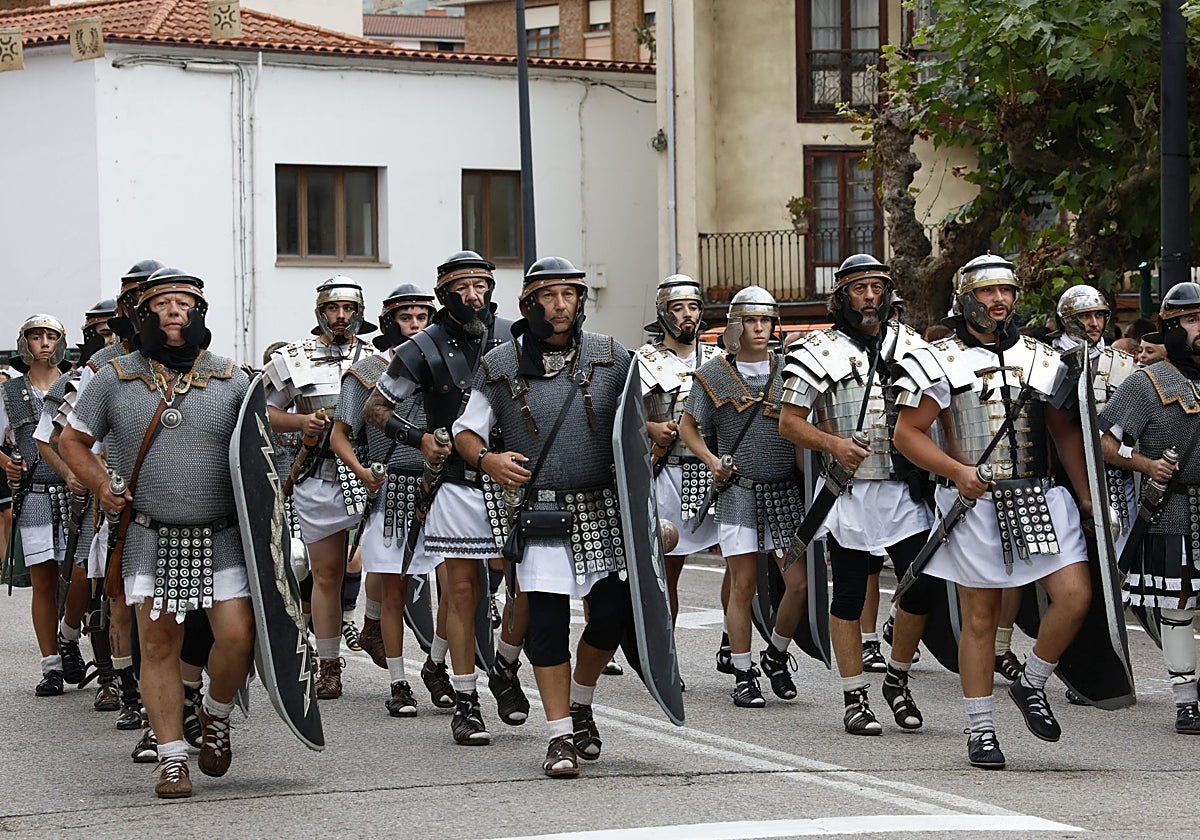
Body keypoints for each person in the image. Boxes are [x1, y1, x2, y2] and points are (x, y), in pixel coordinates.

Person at [60, 267, 256, 799]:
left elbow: (259, 449)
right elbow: (71, 440)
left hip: (221, 533)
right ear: (143, 314)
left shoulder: (233, 379)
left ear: (199, 313)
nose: (174, 310)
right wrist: (102, 485)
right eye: (162, 303)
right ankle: (172, 759)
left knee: (237, 636)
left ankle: (215, 713)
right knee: (158, 643)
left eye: (184, 303)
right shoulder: (114, 377)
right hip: (150, 533)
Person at [892, 253, 1092, 770]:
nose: (999, 300)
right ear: (966, 299)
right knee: (980, 617)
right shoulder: (939, 359)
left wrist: (1087, 496)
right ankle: (980, 728)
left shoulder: (1042, 358)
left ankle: (1032, 681)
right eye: (987, 291)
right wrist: (957, 472)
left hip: (1040, 494)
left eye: (1006, 290)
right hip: (975, 504)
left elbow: (1064, 432)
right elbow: (907, 434)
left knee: (1075, 596)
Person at [454, 256, 634, 778]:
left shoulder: (611, 357)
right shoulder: (499, 364)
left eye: (569, 295)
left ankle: (581, 702)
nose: (560, 305)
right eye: (549, 296)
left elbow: (634, 425)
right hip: (541, 511)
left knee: (611, 617)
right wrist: (487, 459)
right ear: (529, 304)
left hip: (601, 507)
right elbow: (466, 431)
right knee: (549, 626)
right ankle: (559, 737)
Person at [364, 251, 527, 746]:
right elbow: (375, 408)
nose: (473, 296)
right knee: (461, 593)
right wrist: (418, 439)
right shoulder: (421, 347)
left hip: (515, 478)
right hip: (456, 481)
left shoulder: (516, 337)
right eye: (462, 288)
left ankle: (505, 666)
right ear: (444, 294)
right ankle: (467, 702)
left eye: (481, 285)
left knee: (526, 587)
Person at [779, 254, 939, 735]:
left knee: (921, 587)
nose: (870, 297)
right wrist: (833, 444)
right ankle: (855, 697)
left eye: (877, 287)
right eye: (859, 288)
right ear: (842, 296)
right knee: (849, 594)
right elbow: (789, 423)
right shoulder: (818, 350)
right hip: (850, 493)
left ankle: (897, 679)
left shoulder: (912, 346)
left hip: (905, 489)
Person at [678, 286, 807, 710]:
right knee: (743, 585)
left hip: (784, 492)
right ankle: (743, 671)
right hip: (739, 492)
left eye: (765, 320)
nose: (759, 328)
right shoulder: (713, 375)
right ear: (736, 326)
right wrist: (712, 460)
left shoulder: (791, 371)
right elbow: (688, 427)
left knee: (798, 584)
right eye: (751, 320)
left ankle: (777, 654)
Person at [329, 283, 447, 716]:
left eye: (422, 317)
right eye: (406, 318)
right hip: (391, 488)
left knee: (456, 589)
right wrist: (362, 473)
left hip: (442, 487)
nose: (415, 325)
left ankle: (437, 664)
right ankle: (398, 682)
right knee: (393, 591)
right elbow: (340, 435)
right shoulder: (366, 373)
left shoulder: (447, 367)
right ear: (389, 323)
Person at [263, 278, 377, 700]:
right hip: (319, 474)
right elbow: (262, 411)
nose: (341, 316)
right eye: (333, 308)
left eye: (348, 309)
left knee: (385, 569)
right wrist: (301, 422)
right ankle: (329, 666)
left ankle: (378, 632)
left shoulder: (379, 358)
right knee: (326, 574)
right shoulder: (293, 357)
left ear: (359, 313)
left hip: (370, 474)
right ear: (320, 312)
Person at [1100, 282, 1200, 733]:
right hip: (1173, 508)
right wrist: (1145, 464)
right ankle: (1186, 702)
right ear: (1172, 328)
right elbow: (1104, 442)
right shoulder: (1146, 383)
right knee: (1178, 606)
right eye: (1192, 320)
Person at [34, 299, 120, 712]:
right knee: (89, 579)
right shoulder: (74, 383)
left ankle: (129, 676)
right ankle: (82, 650)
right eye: (101, 333)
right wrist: (72, 472)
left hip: (137, 491)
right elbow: (47, 438)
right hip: (93, 498)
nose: (109, 338)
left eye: (112, 331)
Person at [636, 275, 722, 645]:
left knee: (743, 562)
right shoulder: (643, 362)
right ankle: (664, 651)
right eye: (678, 308)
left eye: (693, 307)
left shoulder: (719, 360)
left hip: (716, 474)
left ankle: (732, 644)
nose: (687, 314)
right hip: (667, 475)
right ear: (663, 313)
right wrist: (651, 428)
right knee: (667, 570)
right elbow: (621, 419)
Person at [1, 314, 73, 696]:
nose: (44, 343)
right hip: (34, 495)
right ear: (24, 343)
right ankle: (52, 665)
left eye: (50, 336)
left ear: (60, 342)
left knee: (79, 578)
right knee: (44, 582)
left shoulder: (76, 384)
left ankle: (71, 638)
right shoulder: (9, 392)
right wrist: (7, 463)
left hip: (77, 493)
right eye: (36, 336)